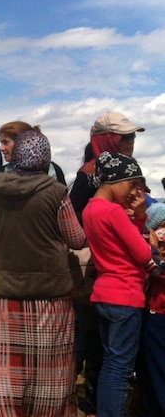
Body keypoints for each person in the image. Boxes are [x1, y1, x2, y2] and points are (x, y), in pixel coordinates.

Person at [0, 130, 86, 417]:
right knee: (50, 376)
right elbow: (76, 239)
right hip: (50, 298)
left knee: (7, 376)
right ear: (45, 159)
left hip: (6, 295)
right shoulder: (56, 192)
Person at [69, 110, 144, 414]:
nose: (130, 142)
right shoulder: (89, 178)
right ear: (107, 139)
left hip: (105, 281)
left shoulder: (117, 176)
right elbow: (72, 225)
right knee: (110, 358)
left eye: (132, 136)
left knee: (108, 355)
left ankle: (100, 402)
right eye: (124, 137)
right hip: (112, 275)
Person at [83, 152, 158, 417]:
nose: (133, 191)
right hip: (125, 296)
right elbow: (143, 253)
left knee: (111, 364)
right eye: (131, 184)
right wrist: (141, 219)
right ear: (116, 180)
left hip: (104, 292)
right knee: (121, 369)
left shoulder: (91, 209)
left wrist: (136, 218)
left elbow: (118, 245)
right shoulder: (113, 211)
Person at [139, 203, 165, 416]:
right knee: (150, 370)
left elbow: (157, 271)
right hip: (153, 311)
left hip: (158, 313)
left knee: (157, 370)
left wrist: (154, 253)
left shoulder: (152, 252)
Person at [0, 121, 66, 184]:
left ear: (22, 142)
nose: (1, 148)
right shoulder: (0, 174)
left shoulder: (54, 170)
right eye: (1, 143)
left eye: (5, 142)